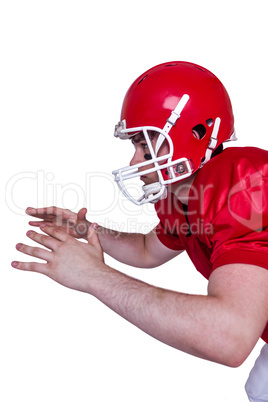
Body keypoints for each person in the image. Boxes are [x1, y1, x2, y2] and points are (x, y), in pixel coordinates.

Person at [12, 62, 268, 401]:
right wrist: (88, 230)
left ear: (196, 134)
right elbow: (148, 249)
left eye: (147, 147)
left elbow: (229, 337)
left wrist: (93, 276)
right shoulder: (188, 194)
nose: (135, 162)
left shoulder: (244, 184)